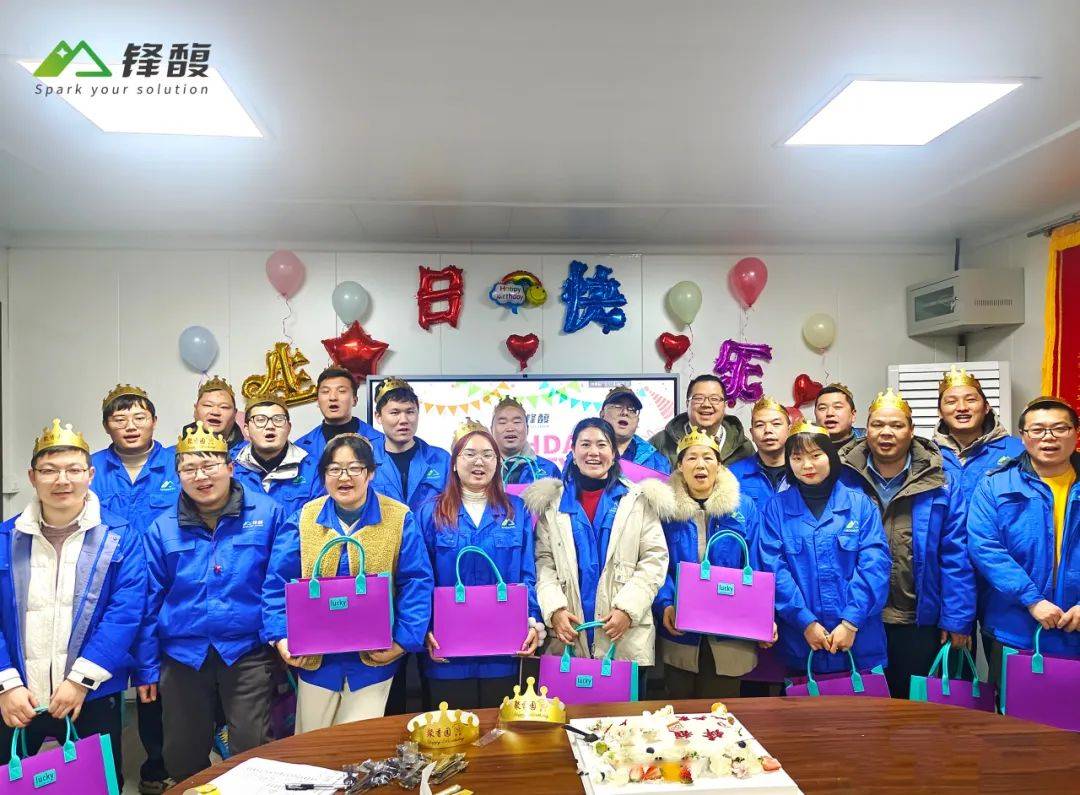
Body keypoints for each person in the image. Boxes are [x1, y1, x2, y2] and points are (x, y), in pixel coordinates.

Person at [0, 419, 146, 788]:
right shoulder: (5, 537)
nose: (62, 480)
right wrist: (6, 684)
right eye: (49, 470)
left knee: (95, 784)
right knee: (13, 784)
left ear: (90, 475)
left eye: (74, 470)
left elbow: (124, 614)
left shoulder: (120, 537)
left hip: (90, 694)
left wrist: (80, 681)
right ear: (32, 477)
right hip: (16, 696)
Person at [141, 422, 285, 782]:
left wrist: (280, 639)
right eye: (189, 468)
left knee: (252, 747)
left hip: (247, 649)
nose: (201, 476)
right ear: (178, 475)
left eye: (209, 465)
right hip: (183, 654)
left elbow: (280, 583)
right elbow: (149, 601)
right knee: (181, 754)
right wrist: (146, 667)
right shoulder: (162, 528)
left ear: (230, 467)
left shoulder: (267, 514)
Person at [263, 434, 433, 730]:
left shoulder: (398, 517)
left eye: (355, 468)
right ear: (323, 475)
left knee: (359, 744)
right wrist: (281, 637)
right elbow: (277, 582)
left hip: (373, 659)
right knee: (313, 742)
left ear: (371, 473)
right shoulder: (304, 519)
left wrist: (403, 641)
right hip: (316, 658)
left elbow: (416, 581)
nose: (344, 477)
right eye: (334, 469)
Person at [839, 389, 973, 698]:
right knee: (862, 709)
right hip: (857, 618)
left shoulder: (941, 480)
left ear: (911, 430)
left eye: (897, 425)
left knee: (913, 711)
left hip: (918, 619)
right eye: (878, 424)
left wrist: (957, 617)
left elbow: (956, 553)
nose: (886, 432)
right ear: (865, 429)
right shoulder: (843, 476)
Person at [524, 418, 669, 696]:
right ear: (573, 451)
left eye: (602, 445)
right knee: (568, 716)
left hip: (624, 635)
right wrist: (554, 611)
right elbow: (543, 563)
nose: (593, 452)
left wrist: (628, 609)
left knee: (623, 718)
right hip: (570, 631)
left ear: (614, 453)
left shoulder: (637, 500)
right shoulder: (553, 504)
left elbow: (654, 560)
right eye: (585, 444)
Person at [90, 384, 178, 794]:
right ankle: (98, 774)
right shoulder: (90, 468)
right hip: (106, 592)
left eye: (139, 417)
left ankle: (155, 768)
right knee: (100, 685)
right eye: (120, 418)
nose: (130, 426)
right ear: (107, 425)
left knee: (154, 685)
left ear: (154, 422)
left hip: (162, 590)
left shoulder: (176, 463)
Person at [419, 422, 542, 708]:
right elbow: (419, 577)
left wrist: (532, 620)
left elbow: (528, 572)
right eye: (470, 454)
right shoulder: (430, 511)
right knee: (452, 726)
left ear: (498, 463)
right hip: (446, 645)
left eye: (488, 455)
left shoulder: (516, 509)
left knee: (501, 725)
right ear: (454, 463)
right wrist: (424, 627)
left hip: (504, 648)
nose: (479, 462)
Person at [759, 421, 891, 679]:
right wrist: (805, 622)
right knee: (803, 705)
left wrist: (850, 622)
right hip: (802, 642)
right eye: (797, 458)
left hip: (859, 639)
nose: (807, 465)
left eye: (816, 455)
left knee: (862, 706)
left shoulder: (859, 504)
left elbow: (875, 565)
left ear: (830, 457)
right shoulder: (775, 509)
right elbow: (773, 569)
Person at [968, 395, 1080, 682]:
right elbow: (985, 547)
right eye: (1038, 430)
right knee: (1015, 709)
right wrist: (1032, 600)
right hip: (1015, 627)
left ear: (1075, 433)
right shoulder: (995, 484)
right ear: (1023, 436)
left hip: (1076, 624)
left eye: (1060, 428)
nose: (1049, 437)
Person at [654, 428, 771, 699]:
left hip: (731, 631)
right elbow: (656, 563)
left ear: (719, 465)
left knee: (722, 709)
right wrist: (665, 603)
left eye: (708, 458)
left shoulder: (743, 508)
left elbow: (758, 563)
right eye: (691, 458)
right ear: (680, 466)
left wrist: (764, 617)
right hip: (681, 628)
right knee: (680, 708)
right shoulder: (665, 510)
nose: (700, 465)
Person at [934, 366, 1024, 505]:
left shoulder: (1019, 450)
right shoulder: (926, 455)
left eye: (970, 400)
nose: (962, 407)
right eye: (951, 402)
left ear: (986, 407)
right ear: (940, 412)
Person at [370, 377, 451, 511]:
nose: (404, 420)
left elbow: (454, 509)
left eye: (410, 412)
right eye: (395, 413)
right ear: (378, 416)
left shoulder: (441, 460)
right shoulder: (366, 460)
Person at [233, 398, 322, 516]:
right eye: (260, 420)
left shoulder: (313, 469)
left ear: (289, 427)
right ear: (246, 429)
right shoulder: (231, 467)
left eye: (278, 419)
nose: (270, 426)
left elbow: (317, 519)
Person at [650, 374, 754, 470]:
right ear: (687, 404)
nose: (706, 404)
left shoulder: (743, 447)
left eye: (714, 399)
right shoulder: (660, 442)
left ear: (725, 405)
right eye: (698, 398)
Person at [294, 367, 385, 464]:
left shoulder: (382, 443)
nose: (333, 397)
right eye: (325, 391)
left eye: (341, 391)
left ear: (354, 400)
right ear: (318, 401)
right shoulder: (300, 449)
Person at [728, 396, 791, 511]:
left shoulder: (803, 471)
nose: (768, 430)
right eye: (760, 425)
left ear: (789, 430)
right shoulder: (733, 474)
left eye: (776, 424)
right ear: (752, 433)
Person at [489, 396, 561, 485]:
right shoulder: (482, 468)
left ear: (527, 429)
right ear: (491, 430)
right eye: (502, 423)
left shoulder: (548, 470)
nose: (510, 428)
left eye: (516, 422)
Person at [599, 386, 670, 474]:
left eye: (632, 409)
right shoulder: (586, 454)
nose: (625, 412)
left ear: (637, 420)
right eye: (618, 406)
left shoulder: (659, 462)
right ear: (602, 414)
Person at [182, 377, 246, 456]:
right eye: (208, 405)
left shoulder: (251, 455)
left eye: (224, 407)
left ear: (234, 413)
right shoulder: (171, 455)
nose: (215, 412)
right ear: (195, 410)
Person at [814, 383, 864, 450]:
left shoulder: (869, 445)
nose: (829, 413)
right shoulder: (803, 447)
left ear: (853, 415)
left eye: (837, 407)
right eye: (822, 408)